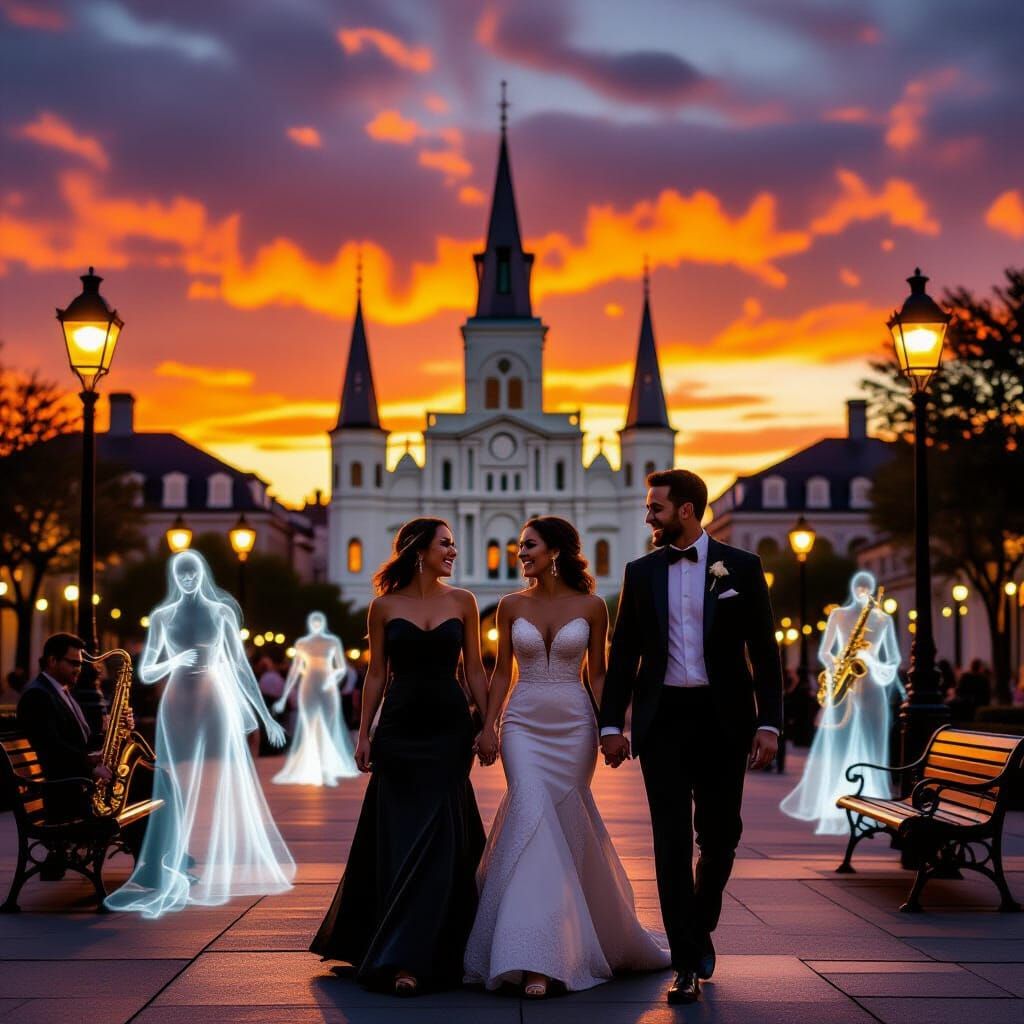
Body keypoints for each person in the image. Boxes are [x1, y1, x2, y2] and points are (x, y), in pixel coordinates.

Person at [599, 469, 783, 1006]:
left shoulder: (742, 568)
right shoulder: (640, 572)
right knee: (671, 841)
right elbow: (624, 654)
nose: (647, 515)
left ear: (685, 509)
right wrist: (612, 725)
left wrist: (769, 722)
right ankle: (685, 960)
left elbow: (765, 652)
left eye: (655, 507)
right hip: (663, 722)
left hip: (724, 717)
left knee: (721, 835)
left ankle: (699, 921)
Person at [465, 517, 669, 997]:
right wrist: (490, 725)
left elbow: (598, 676)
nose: (520, 554)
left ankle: (561, 946)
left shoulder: (594, 606)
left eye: (528, 546)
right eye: (519, 547)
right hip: (523, 723)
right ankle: (531, 957)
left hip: (575, 724)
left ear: (555, 551)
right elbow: (499, 676)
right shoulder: (511, 606)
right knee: (530, 816)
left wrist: (613, 726)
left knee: (562, 828)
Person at [311, 518, 490, 995]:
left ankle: (426, 953)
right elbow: (375, 675)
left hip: (450, 730)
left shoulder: (464, 601)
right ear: (419, 550)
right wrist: (364, 732)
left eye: (453, 544)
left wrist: (490, 724)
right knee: (401, 835)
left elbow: (473, 668)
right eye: (445, 544)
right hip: (400, 730)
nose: (453, 551)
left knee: (441, 836)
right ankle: (398, 956)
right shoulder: (383, 606)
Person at [105, 550, 294, 917]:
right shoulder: (162, 617)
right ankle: (172, 856)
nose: (188, 580)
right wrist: (173, 660)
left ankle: (208, 853)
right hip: (176, 701)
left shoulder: (219, 613)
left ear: (202, 574)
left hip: (213, 699)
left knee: (220, 779)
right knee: (173, 780)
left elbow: (239, 666)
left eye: (193, 573)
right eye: (182, 574)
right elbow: (147, 670)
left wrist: (265, 716)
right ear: (175, 578)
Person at [780, 571, 904, 835]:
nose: (862, 592)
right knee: (838, 747)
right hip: (843, 687)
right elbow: (825, 651)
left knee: (871, 746)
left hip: (872, 689)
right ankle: (837, 799)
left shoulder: (882, 619)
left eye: (866, 588)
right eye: (858, 588)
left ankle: (870, 799)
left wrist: (870, 661)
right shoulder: (838, 615)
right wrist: (838, 664)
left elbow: (892, 662)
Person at [16, 633, 144, 876]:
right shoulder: (38, 696)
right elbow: (51, 748)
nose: (78, 669)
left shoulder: (60, 692)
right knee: (142, 787)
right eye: (72, 663)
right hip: (64, 795)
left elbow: (80, 742)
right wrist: (90, 766)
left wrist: (118, 730)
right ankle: (149, 869)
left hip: (75, 785)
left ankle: (154, 864)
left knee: (149, 781)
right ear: (52, 661)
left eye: (79, 663)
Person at [272, 612, 359, 786]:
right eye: (314, 621)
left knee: (328, 725)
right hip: (309, 685)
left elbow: (341, 667)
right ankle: (316, 768)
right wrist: (283, 697)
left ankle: (326, 768)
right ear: (310, 623)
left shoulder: (332, 642)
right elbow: (295, 671)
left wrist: (332, 678)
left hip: (328, 687)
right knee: (310, 725)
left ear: (324, 623)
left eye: (320, 621)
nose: (317, 624)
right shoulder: (302, 644)